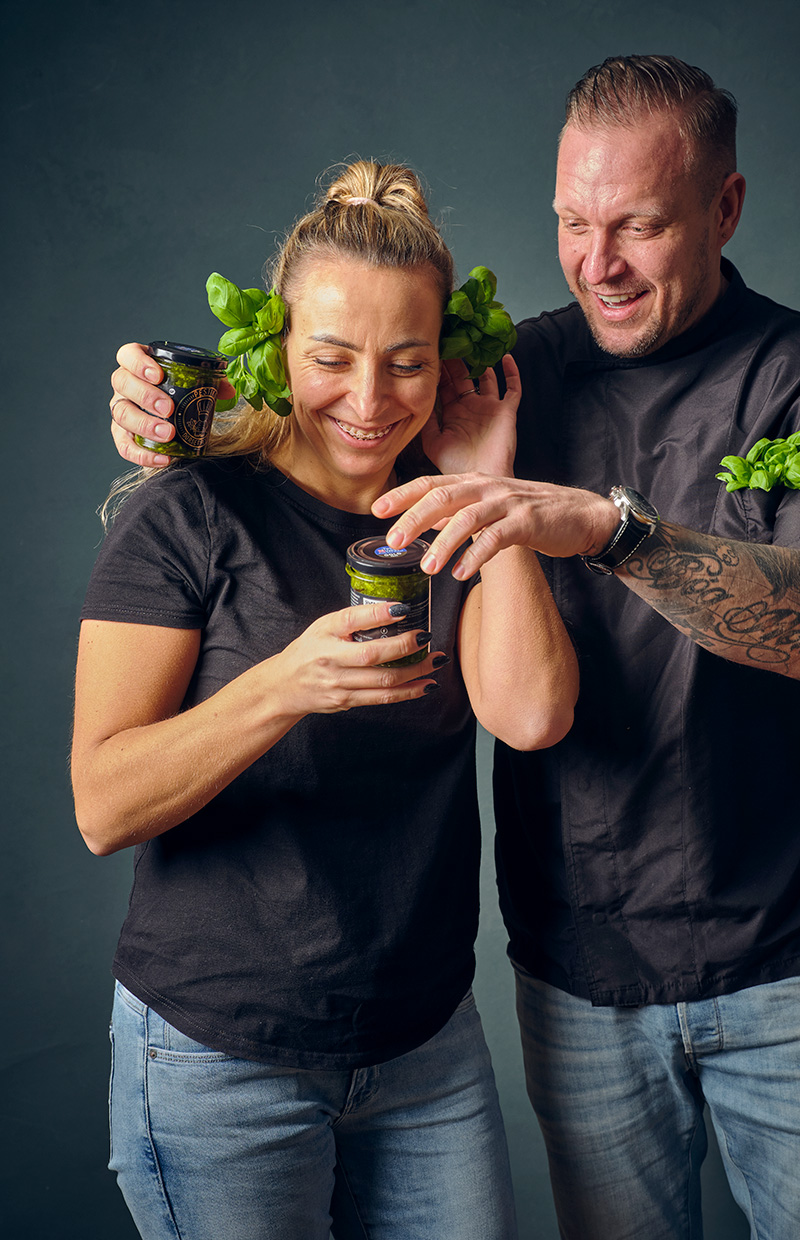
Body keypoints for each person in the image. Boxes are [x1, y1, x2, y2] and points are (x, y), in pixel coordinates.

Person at [106, 56, 800, 1240]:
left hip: (789, 960)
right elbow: (339, 373)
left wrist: (607, 530)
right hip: (576, 969)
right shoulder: (499, 380)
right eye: (572, 223)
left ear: (725, 209)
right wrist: (166, 396)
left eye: (639, 225)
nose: (597, 264)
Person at [73, 159, 577, 1240]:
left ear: (446, 361)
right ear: (276, 352)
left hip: (425, 1047)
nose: (367, 399)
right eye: (331, 358)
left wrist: (485, 484)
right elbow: (102, 804)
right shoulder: (189, 515)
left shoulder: (446, 515)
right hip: (220, 1059)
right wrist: (283, 684)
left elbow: (530, 715)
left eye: (405, 362)